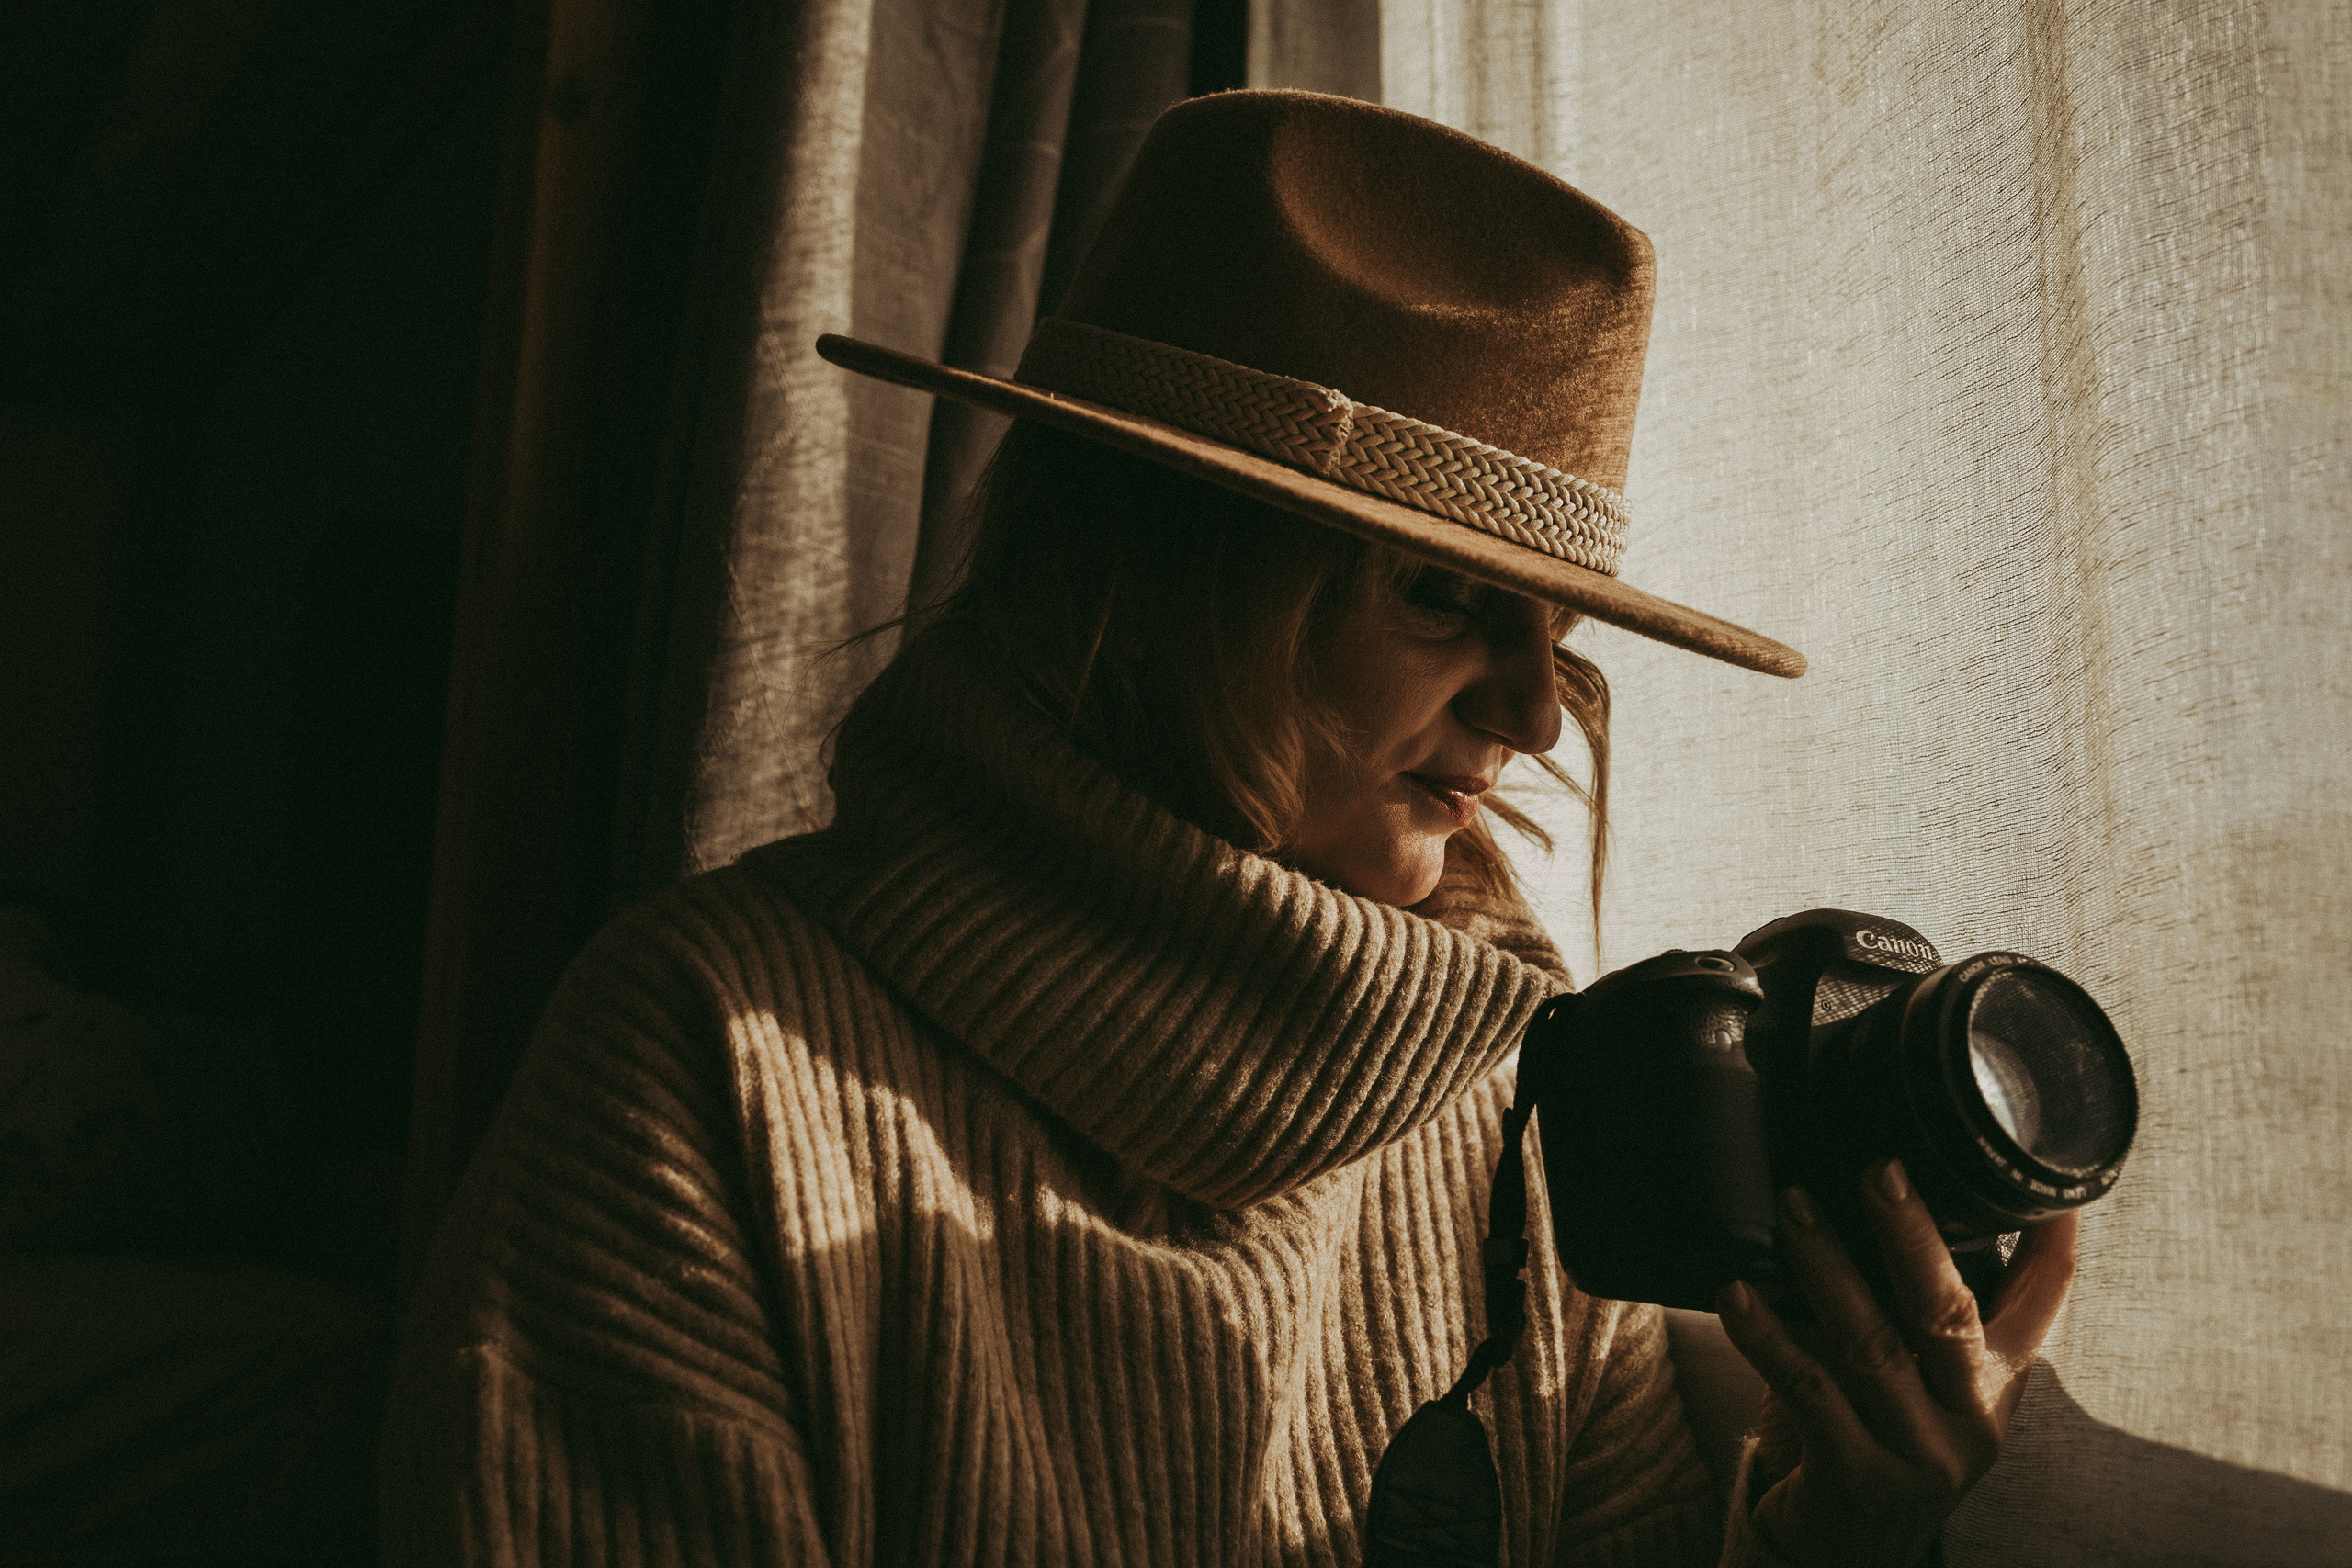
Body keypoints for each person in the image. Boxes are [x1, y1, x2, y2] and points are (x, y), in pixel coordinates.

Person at [382, 90, 2076, 1567]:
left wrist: (1819, 1544)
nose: (1540, 713)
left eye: (1558, 634)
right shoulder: (705, 1063)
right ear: (1150, 572)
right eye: (1439, 598)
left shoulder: (1510, 1112)